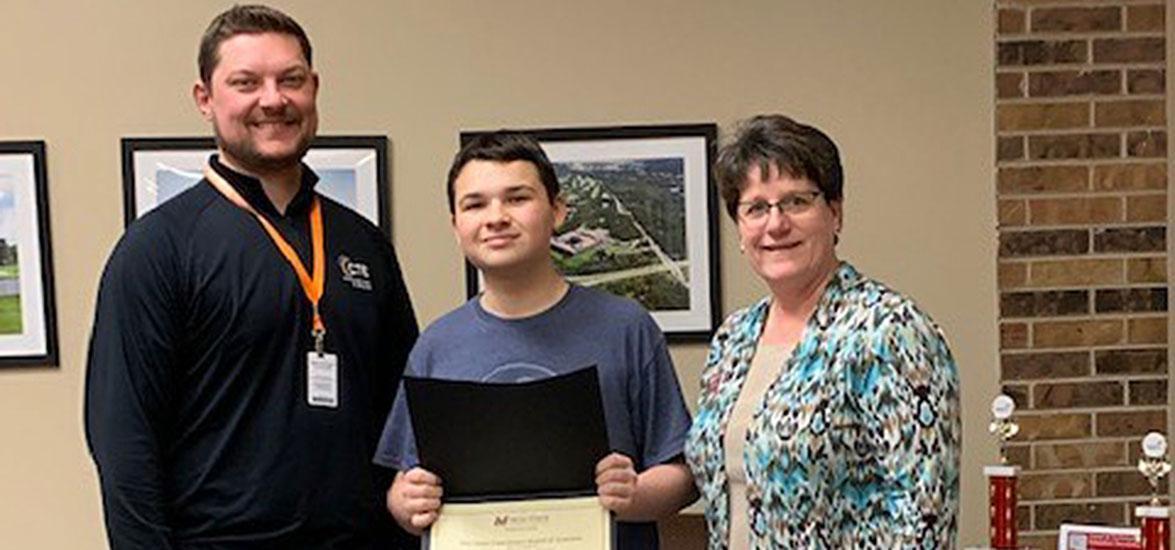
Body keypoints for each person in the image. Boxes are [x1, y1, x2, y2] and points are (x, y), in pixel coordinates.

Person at [84, 5, 419, 548]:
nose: (273, 99)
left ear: (314, 87)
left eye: (291, 79)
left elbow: (406, 416)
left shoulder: (364, 244)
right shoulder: (157, 249)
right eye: (246, 82)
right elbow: (124, 444)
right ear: (205, 99)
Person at [374, 131, 698, 548]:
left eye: (517, 198)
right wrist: (405, 502)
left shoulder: (626, 329)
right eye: (475, 204)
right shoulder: (437, 344)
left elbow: (684, 476)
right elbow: (404, 487)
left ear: (557, 210)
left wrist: (633, 495)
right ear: (456, 227)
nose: (496, 217)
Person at [684, 115, 960, 548]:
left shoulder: (888, 330)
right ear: (739, 228)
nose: (775, 224)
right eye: (756, 208)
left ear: (835, 213)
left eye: (796, 201)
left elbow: (924, 519)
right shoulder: (734, 339)